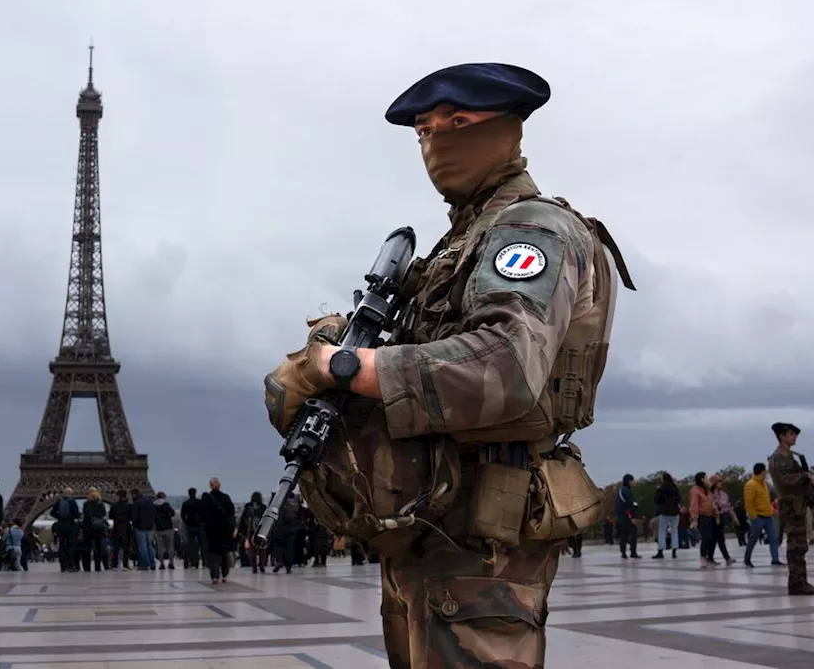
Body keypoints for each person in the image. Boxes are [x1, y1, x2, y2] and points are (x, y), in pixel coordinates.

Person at [262, 63, 633, 668]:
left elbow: (505, 367)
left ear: (507, 129)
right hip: (431, 524)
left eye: (457, 123)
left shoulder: (532, 230)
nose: (436, 142)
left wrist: (345, 366)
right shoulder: (464, 241)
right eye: (423, 131)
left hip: (482, 539)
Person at [766, 422, 814, 595]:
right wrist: (805, 476)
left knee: (799, 545)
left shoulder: (788, 456)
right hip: (791, 505)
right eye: (791, 433)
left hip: (796, 504)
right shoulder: (780, 457)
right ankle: (797, 583)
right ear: (782, 436)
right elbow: (786, 480)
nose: (794, 436)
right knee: (796, 545)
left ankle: (799, 581)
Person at [742, 463, 783, 567]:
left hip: (768, 516)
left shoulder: (764, 483)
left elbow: (766, 500)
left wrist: (772, 510)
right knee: (753, 538)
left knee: (774, 538)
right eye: (765, 471)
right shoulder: (750, 484)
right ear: (762, 472)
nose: (766, 474)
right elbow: (749, 503)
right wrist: (754, 517)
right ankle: (747, 558)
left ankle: (775, 559)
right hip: (758, 517)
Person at [652, 473, 682, 559]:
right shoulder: (675, 488)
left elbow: (656, 500)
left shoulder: (661, 489)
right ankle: (674, 551)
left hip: (664, 512)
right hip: (675, 512)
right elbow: (679, 499)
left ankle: (660, 551)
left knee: (662, 531)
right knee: (674, 531)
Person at [616, 475, 640, 559]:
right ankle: (633, 552)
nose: (634, 482)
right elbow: (629, 504)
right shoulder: (627, 491)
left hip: (621, 516)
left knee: (623, 535)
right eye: (633, 481)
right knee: (633, 534)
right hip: (628, 516)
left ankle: (623, 553)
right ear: (629, 481)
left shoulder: (620, 490)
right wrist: (633, 517)